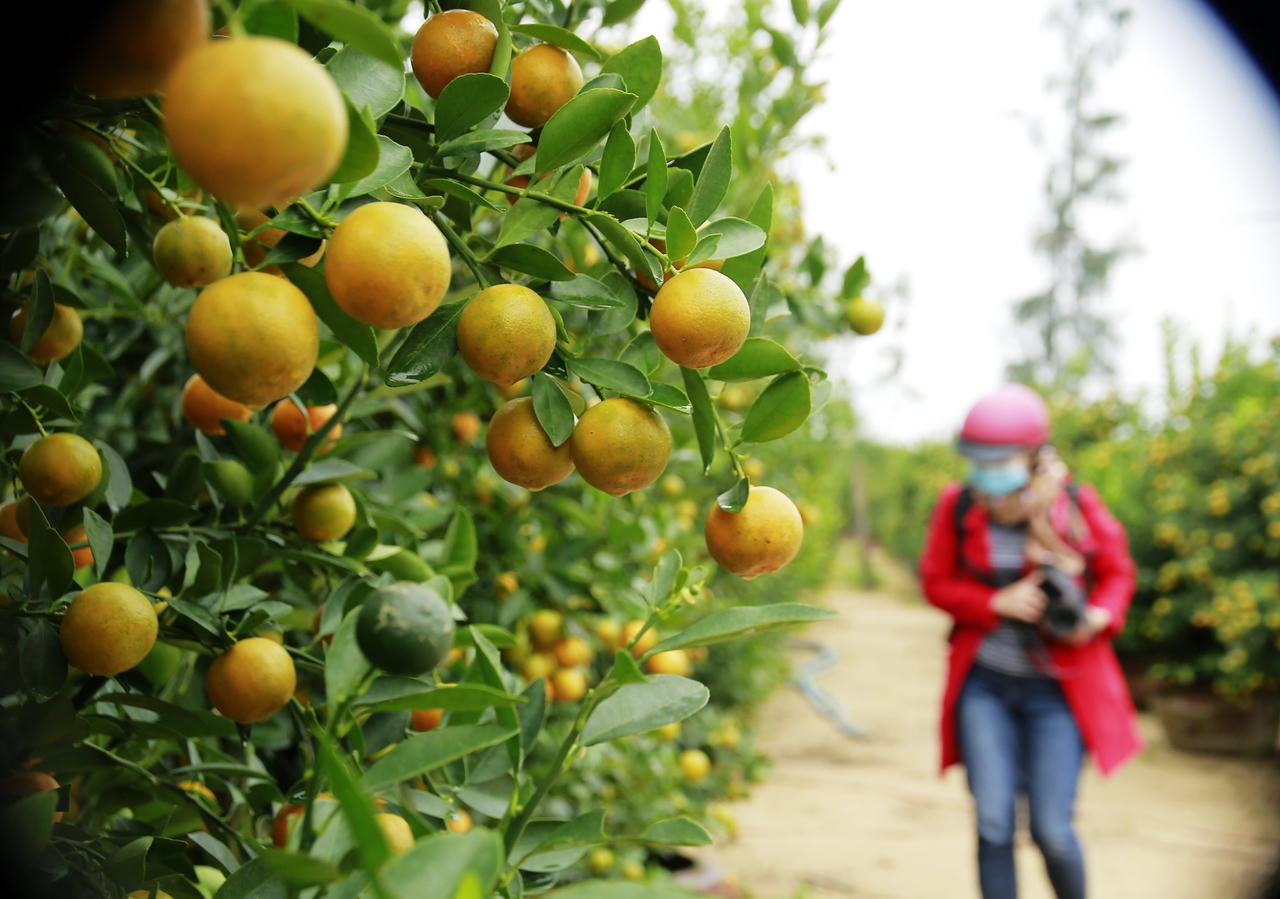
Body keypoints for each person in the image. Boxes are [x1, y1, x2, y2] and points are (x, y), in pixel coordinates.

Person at [919, 384, 1143, 899]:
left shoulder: (1075, 506)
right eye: (978, 460)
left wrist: (1096, 616)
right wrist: (992, 602)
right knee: (994, 824)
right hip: (987, 687)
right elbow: (934, 581)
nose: (987, 471)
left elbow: (1118, 573)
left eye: (1000, 460)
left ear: (1035, 455)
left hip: (1057, 691)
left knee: (1052, 830)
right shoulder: (958, 505)